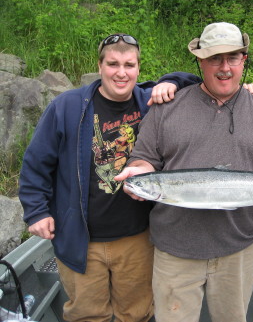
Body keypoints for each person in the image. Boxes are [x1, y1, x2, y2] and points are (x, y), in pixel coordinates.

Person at [115, 22, 253, 322]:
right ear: (200, 61)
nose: (224, 67)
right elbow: (144, 159)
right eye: (214, 58)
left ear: (244, 60)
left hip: (240, 249)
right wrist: (135, 174)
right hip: (175, 250)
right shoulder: (166, 107)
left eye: (233, 57)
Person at [18, 33, 202, 322]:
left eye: (129, 65)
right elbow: (35, 164)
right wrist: (36, 212)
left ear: (139, 68)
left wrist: (172, 80)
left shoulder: (150, 101)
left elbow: (200, 84)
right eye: (113, 64)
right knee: (86, 316)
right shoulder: (66, 107)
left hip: (138, 238)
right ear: (100, 66)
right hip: (80, 238)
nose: (121, 73)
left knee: (138, 314)